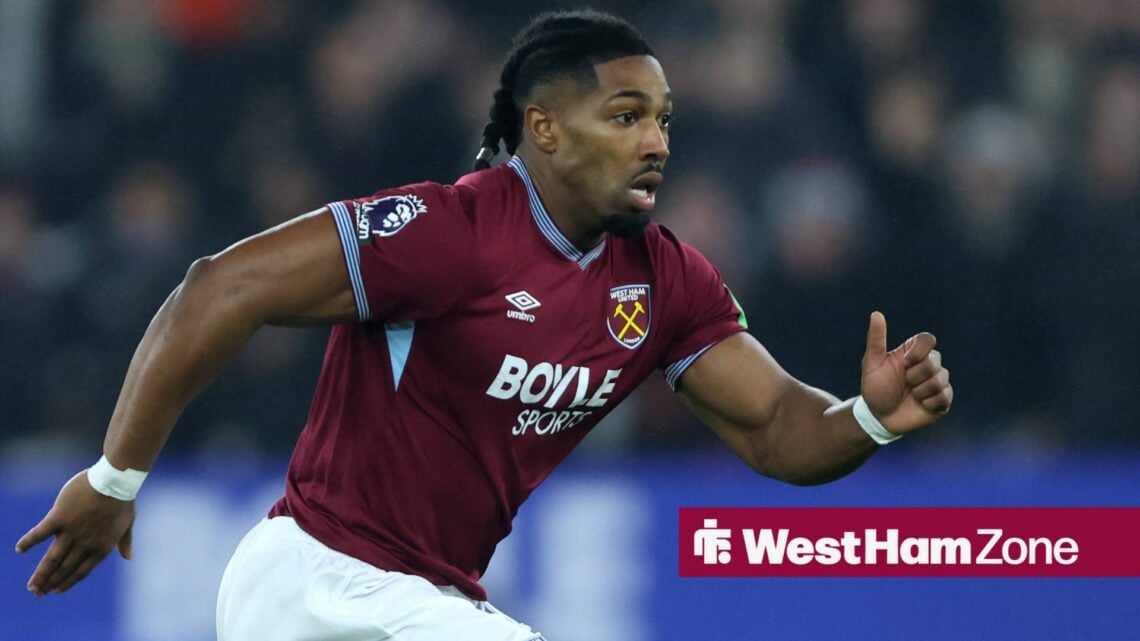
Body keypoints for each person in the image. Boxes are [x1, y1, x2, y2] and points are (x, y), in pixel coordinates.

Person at [15, 9, 953, 640]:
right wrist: (115, 476)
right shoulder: (448, 232)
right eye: (626, 116)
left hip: (418, 601)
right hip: (316, 578)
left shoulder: (665, 282)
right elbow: (217, 288)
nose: (658, 140)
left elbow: (778, 428)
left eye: (663, 118)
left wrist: (865, 417)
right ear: (543, 129)